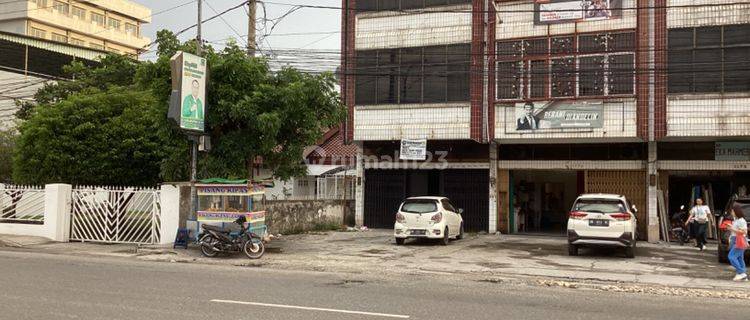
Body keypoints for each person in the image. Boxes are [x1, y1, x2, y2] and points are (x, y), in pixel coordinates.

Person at [727, 203, 747, 281]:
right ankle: (742, 275)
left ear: (736, 211)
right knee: (739, 258)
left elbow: (744, 232)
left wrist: (731, 229)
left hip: (739, 240)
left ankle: (741, 273)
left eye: (732, 211)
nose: (731, 213)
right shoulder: (736, 220)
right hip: (734, 239)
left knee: (731, 257)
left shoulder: (741, 220)